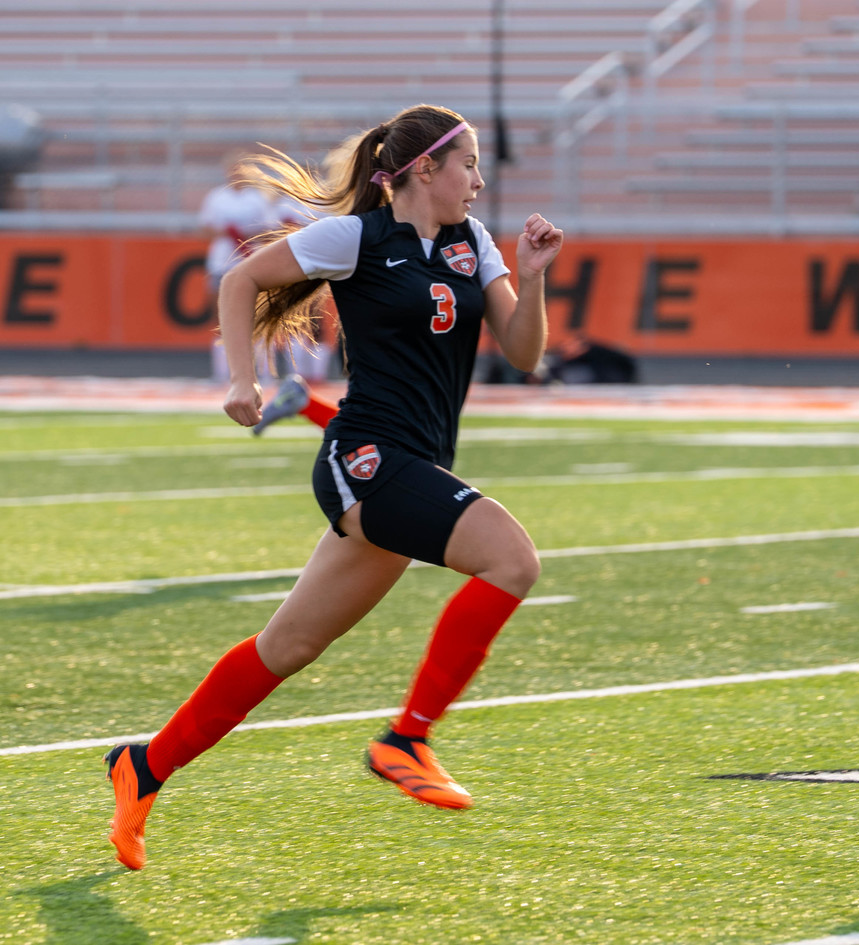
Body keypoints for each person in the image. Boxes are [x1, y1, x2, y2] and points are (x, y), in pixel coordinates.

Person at [104, 103, 564, 871]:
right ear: (425, 169)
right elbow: (243, 279)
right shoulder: (358, 237)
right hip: (366, 457)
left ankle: (144, 766)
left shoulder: (474, 242)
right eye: (469, 165)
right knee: (512, 560)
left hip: (413, 462)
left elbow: (523, 353)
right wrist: (243, 380)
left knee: (288, 645)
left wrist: (535, 276)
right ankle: (407, 739)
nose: (480, 182)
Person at [200, 151, 281, 384]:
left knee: (258, 315)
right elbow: (205, 227)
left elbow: (271, 229)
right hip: (221, 262)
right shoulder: (217, 197)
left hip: (250, 261)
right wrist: (226, 232)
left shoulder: (257, 198)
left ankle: (265, 372)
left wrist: (245, 234)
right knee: (220, 316)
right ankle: (222, 373)